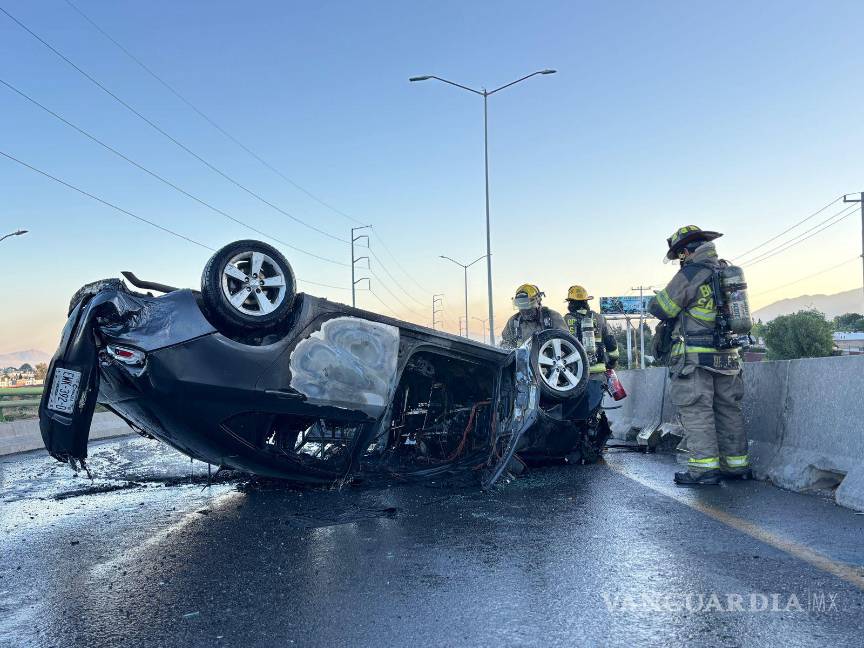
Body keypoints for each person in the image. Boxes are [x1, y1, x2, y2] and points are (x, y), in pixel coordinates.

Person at [647, 225, 749, 485]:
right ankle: (736, 466)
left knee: (697, 412)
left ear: (685, 252)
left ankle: (704, 470)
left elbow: (662, 307)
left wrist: (656, 298)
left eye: (679, 256)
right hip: (728, 356)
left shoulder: (692, 272)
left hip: (695, 358)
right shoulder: (726, 272)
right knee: (729, 410)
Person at [562, 285, 620, 380]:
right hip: (598, 372)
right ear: (586, 301)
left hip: (574, 374)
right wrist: (612, 362)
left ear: (570, 303)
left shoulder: (564, 320)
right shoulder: (599, 318)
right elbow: (611, 343)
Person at [500, 284, 566, 349]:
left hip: (550, 358)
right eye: (522, 307)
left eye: (528, 307)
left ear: (538, 302)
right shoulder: (514, 322)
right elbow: (505, 345)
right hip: (524, 359)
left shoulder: (552, 317)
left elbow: (568, 341)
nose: (524, 311)